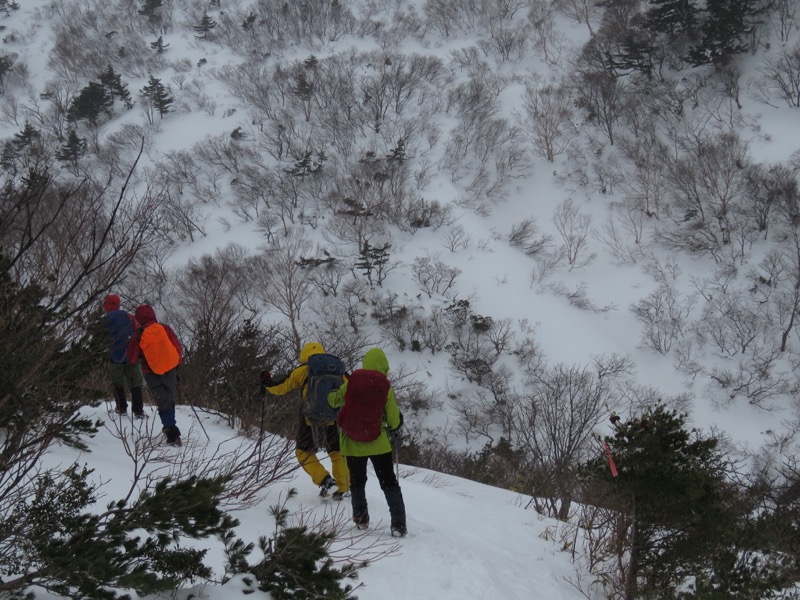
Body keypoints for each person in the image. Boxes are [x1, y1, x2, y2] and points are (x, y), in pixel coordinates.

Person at [328, 347, 407, 537]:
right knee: (388, 482)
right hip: (378, 443)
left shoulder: (352, 382)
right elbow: (394, 419)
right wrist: (394, 425)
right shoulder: (384, 386)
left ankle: (361, 518)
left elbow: (334, 400)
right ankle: (398, 524)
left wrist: (332, 393)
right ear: (383, 366)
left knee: (357, 482)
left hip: (353, 442)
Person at [264, 342, 349, 499]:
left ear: (304, 356)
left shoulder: (303, 370)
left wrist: (266, 381)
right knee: (337, 452)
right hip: (334, 419)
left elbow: (280, 387)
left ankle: (325, 480)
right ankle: (343, 488)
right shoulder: (339, 370)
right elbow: (352, 390)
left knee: (303, 452)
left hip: (309, 419)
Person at [126, 304, 183, 446]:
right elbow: (177, 347)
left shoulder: (138, 335)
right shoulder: (165, 328)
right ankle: (170, 426)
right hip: (170, 369)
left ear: (139, 319)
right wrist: (174, 363)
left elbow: (131, 359)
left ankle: (171, 433)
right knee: (168, 397)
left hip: (151, 372)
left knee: (162, 400)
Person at [102, 294, 145, 418]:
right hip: (131, 357)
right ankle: (138, 411)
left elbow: (101, 339)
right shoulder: (129, 316)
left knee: (117, 383)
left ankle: (121, 408)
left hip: (114, 357)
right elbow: (137, 333)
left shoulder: (104, 320)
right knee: (135, 383)